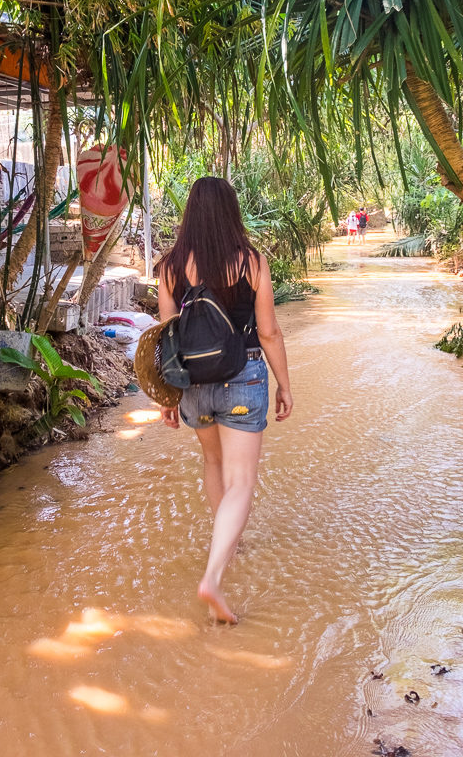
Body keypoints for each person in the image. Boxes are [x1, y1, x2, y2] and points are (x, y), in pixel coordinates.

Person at [156, 177, 293, 625]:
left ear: (190, 213)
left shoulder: (171, 266)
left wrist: (167, 396)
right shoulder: (250, 261)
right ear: (231, 212)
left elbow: (167, 340)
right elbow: (269, 331)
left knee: (213, 465)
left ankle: (226, 547)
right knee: (241, 481)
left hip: (193, 385)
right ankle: (213, 575)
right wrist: (284, 384)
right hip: (243, 375)